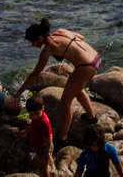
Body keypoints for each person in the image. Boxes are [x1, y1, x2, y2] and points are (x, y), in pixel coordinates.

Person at [17, 20, 102, 149]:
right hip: (95, 58)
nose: (33, 45)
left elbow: (35, 74)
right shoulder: (60, 32)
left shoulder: (48, 49)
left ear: (40, 38)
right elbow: (81, 37)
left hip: (86, 66)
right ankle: (91, 117)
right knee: (76, 88)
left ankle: (62, 138)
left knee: (65, 101)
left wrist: (19, 93)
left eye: (32, 42)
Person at [24, 100, 54, 177]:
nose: (35, 117)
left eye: (37, 114)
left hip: (44, 147)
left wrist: (47, 152)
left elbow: (50, 136)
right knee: (38, 165)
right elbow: (32, 125)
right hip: (38, 145)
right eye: (32, 115)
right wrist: (25, 132)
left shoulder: (44, 121)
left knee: (44, 168)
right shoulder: (36, 119)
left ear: (43, 108)